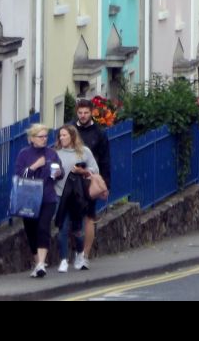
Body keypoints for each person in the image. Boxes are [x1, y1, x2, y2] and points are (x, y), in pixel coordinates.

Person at [12, 124, 63, 277]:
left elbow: (59, 173)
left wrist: (59, 172)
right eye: (40, 137)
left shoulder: (52, 153)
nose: (44, 139)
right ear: (32, 139)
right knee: (31, 231)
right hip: (29, 199)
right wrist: (35, 166)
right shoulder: (24, 154)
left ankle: (41, 264)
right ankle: (37, 263)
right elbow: (20, 175)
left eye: (46, 136)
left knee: (43, 228)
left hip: (48, 197)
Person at [53, 125, 99, 273]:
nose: (61, 138)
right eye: (60, 135)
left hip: (77, 196)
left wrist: (82, 171)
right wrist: (54, 173)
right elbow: (50, 174)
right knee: (62, 229)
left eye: (64, 135)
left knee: (78, 230)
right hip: (60, 195)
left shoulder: (84, 152)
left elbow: (94, 170)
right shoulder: (56, 153)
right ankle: (64, 260)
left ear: (72, 136)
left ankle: (80, 254)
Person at [74, 98, 110, 270]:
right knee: (72, 217)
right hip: (72, 181)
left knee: (89, 217)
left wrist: (106, 184)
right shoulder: (70, 131)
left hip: (91, 181)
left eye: (86, 113)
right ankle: (76, 251)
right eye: (80, 113)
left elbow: (105, 160)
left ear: (92, 112)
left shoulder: (99, 134)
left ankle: (85, 255)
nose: (83, 116)